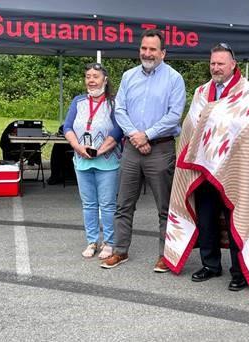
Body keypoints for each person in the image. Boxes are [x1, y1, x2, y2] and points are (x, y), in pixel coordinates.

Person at [163, 43, 249, 292]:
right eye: (212, 63)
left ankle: (239, 271)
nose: (215, 68)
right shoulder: (201, 92)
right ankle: (210, 265)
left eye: (220, 64)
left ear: (233, 65)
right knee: (206, 218)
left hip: (236, 170)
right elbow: (191, 126)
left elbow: (246, 129)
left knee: (236, 219)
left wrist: (213, 125)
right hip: (203, 170)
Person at [100, 29, 186, 271]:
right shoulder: (128, 76)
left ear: (163, 53)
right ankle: (120, 251)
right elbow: (119, 110)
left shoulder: (174, 79)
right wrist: (137, 137)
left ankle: (166, 255)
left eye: (153, 49)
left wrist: (147, 134)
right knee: (123, 204)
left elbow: (174, 115)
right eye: (144, 48)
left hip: (161, 149)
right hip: (131, 149)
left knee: (165, 207)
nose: (147, 53)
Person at [64, 62, 123, 259]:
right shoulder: (78, 101)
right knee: (88, 204)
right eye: (88, 76)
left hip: (107, 161)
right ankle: (91, 241)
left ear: (105, 80)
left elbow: (117, 130)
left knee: (107, 204)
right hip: (82, 160)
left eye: (95, 76)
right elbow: (67, 127)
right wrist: (77, 147)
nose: (91, 80)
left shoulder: (113, 103)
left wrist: (100, 150)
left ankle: (109, 242)